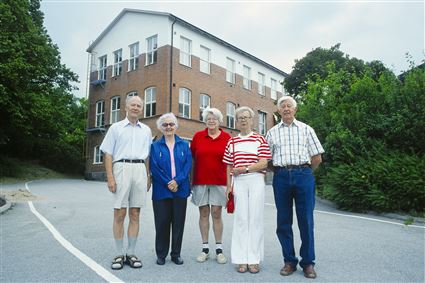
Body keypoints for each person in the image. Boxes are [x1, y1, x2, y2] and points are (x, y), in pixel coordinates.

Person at [266, 96, 324, 279]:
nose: (286, 109)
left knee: (306, 220)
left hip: (303, 175)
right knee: (283, 221)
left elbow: (317, 158)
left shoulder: (307, 129)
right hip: (281, 176)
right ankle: (289, 261)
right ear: (278, 111)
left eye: (289, 106)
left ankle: (308, 263)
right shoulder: (272, 132)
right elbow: (267, 160)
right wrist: (281, 171)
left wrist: (305, 172)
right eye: (282, 107)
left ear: (295, 109)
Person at [100, 95, 152, 270]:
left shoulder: (146, 130)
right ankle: (119, 253)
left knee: (135, 213)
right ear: (126, 108)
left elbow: (147, 156)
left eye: (139, 105)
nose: (136, 108)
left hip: (139, 170)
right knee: (120, 214)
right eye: (133, 105)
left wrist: (148, 176)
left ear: (141, 109)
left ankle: (131, 253)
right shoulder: (115, 128)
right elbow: (108, 154)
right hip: (121, 168)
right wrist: (110, 177)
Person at [223, 106, 271, 274]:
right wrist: (229, 186)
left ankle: (254, 259)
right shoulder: (232, 141)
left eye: (246, 117)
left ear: (252, 120)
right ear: (236, 121)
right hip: (238, 182)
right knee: (241, 220)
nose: (243, 120)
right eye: (240, 118)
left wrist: (245, 169)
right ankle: (241, 259)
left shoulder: (260, 139)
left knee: (255, 219)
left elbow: (264, 163)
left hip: (255, 179)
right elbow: (229, 164)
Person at [149, 113, 192, 266]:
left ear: (176, 126)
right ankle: (161, 254)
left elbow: (188, 165)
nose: (168, 127)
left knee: (178, 223)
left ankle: (176, 254)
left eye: (171, 124)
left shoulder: (184, 145)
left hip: (180, 190)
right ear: (161, 127)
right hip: (161, 190)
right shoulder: (154, 146)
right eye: (165, 125)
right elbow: (154, 167)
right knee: (162, 223)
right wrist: (169, 182)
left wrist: (177, 181)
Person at [191, 108, 231, 264]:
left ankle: (219, 249)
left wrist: (230, 185)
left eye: (214, 118)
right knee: (203, 213)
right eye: (208, 118)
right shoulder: (198, 137)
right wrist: (190, 181)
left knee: (216, 213)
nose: (211, 121)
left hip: (220, 181)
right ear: (205, 121)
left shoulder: (227, 138)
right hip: (200, 180)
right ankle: (205, 248)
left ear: (219, 120)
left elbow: (231, 163)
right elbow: (193, 160)